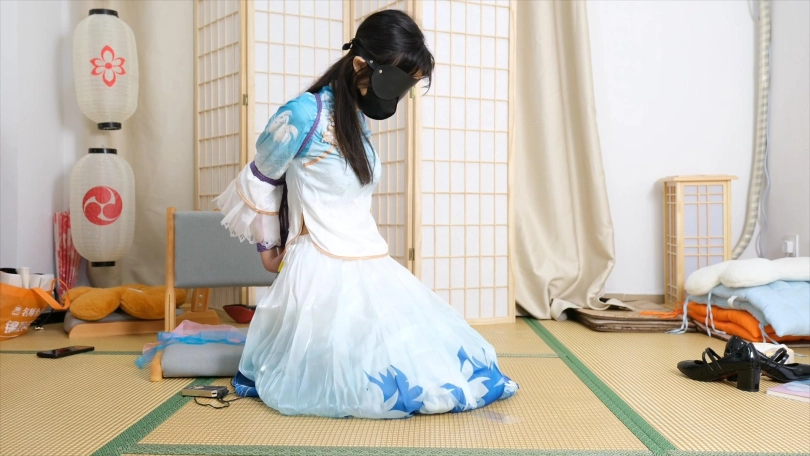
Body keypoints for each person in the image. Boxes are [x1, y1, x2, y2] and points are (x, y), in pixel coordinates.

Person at [225, 10, 517, 419]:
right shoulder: (303, 114)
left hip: (369, 259)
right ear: (362, 65)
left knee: (424, 357)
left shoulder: (357, 116)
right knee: (353, 376)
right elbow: (261, 179)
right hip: (319, 264)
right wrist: (268, 248)